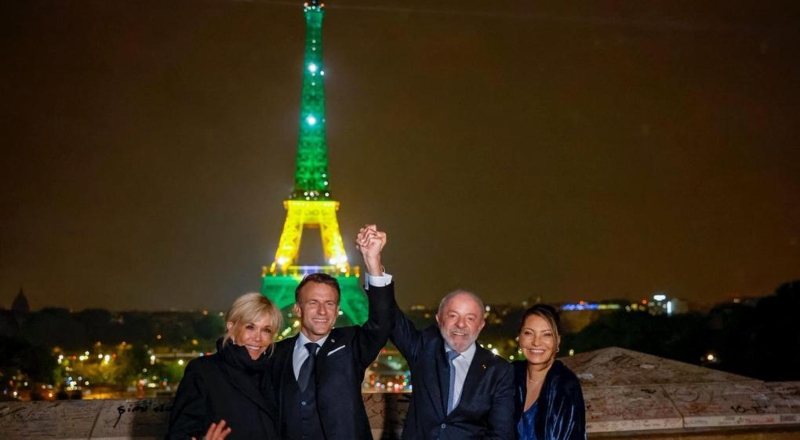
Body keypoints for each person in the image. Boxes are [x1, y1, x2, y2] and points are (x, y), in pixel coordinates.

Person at [367, 237, 514, 439]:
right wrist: (373, 261)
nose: (461, 325)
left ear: (481, 325)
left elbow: (502, 434)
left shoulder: (499, 371)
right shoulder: (423, 349)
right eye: (453, 316)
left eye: (470, 318)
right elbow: (390, 316)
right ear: (438, 320)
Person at [266, 225, 394, 439]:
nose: (322, 311)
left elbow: (382, 323)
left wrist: (373, 261)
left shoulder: (352, 344)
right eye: (313, 303)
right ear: (298, 308)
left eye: (330, 303)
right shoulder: (276, 353)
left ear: (337, 310)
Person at [166, 293, 283, 440]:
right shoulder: (203, 372)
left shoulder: (276, 373)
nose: (257, 338)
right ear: (231, 326)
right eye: (250, 327)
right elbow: (180, 434)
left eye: (266, 330)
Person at [513, 304, 586, 440]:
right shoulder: (510, 375)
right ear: (519, 337)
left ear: (557, 341)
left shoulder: (565, 385)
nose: (536, 342)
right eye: (529, 333)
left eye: (546, 334)